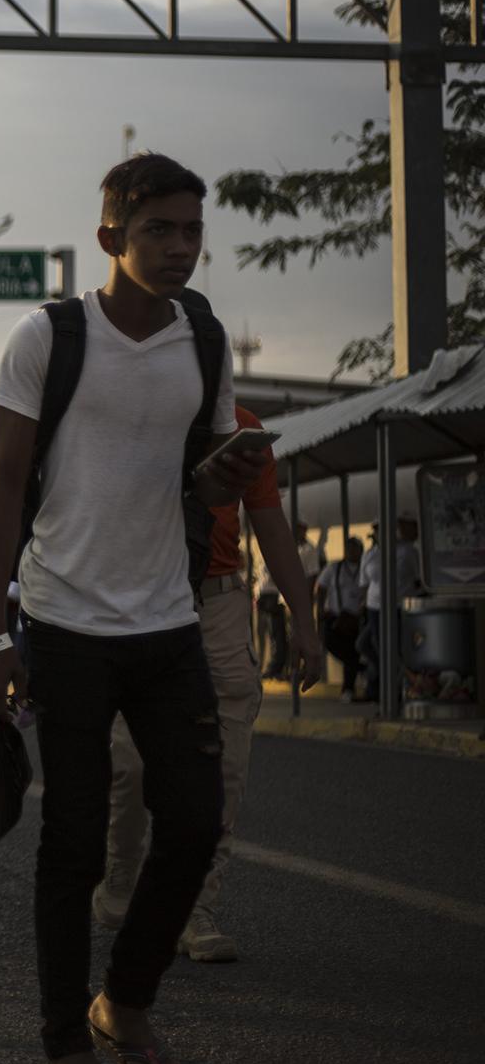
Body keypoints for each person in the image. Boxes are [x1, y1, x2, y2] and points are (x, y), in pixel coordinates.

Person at [0, 153, 268, 1064]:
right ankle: (65, 1040)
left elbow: (198, 468)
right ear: (111, 238)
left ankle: (124, 1001)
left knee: (193, 820)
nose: (180, 248)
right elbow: (3, 487)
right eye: (158, 232)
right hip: (63, 617)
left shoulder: (203, 339)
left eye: (191, 231)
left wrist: (226, 473)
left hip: (168, 615)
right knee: (76, 841)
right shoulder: (48, 337)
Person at [95, 404, 322, 963]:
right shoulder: (133, 407)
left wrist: (304, 621)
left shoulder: (242, 428)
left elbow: (269, 522)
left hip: (219, 600)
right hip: (143, 597)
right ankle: (121, 878)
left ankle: (195, 910)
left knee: (225, 762)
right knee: (131, 760)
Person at [355, 511, 423, 702]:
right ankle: (391, 680)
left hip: (399, 607)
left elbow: (418, 581)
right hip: (374, 608)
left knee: (392, 649)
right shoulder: (370, 555)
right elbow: (364, 584)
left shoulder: (407, 551)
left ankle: (397, 689)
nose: (379, 533)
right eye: (376, 530)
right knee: (369, 645)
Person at [319, 536, 368, 699]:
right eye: (349, 549)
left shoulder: (365, 567)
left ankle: (348, 689)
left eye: (355, 549)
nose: (351, 552)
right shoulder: (334, 568)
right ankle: (362, 669)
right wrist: (320, 609)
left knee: (353, 652)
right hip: (337, 618)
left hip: (357, 619)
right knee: (338, 648)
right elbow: (321, 587)